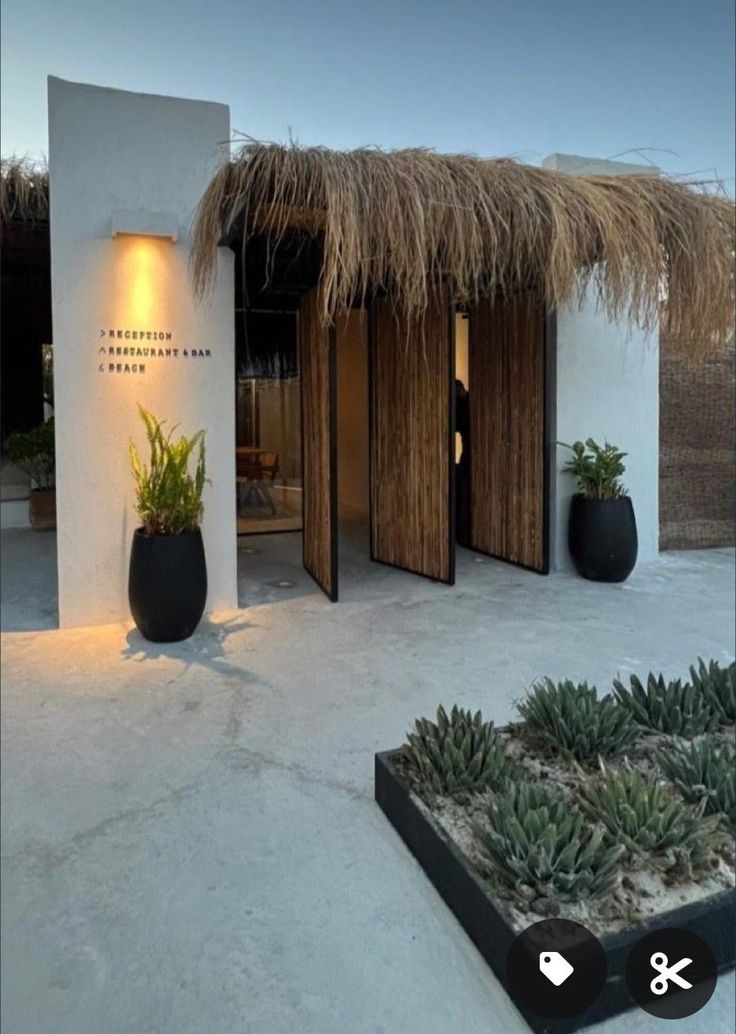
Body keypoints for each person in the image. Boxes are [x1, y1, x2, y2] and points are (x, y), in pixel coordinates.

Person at [455, 379, 471, 546]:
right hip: (470, 454)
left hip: (470, 455)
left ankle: (464, 534)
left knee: (464, 493)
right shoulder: (467, 401)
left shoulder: (461, 407)